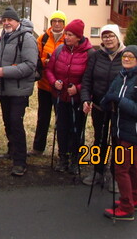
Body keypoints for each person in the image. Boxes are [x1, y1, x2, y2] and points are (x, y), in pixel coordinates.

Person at [100, 45, 137, 221]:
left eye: (131, 57)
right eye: (125, 56)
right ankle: (135, 199)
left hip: (135, 133)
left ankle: (126, 207)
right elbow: (109, 96)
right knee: (131, 166)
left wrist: (119, 100)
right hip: (120, 130)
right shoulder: (121, 77)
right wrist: (106, 101)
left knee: (120, 168)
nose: (126, 59)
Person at [0, 7, 37, 176]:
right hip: (4, 89)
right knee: (8, 122)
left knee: (16, 123)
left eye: (10, 20)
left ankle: (20, 162)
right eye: (4, 20)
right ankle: (12, 151)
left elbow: (30, 66)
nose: (7, 23)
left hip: (19, 90)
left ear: (17, 22)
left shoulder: (27, 38)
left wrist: (4, 71)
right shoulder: (3, 37)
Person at [44, 18, 92, 177]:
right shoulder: (59, 50)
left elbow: (91, 77)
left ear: (79, 37)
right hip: (60, 97)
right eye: (66, 34)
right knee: (61, 128)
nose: (66, 37)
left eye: (70, 35)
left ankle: (75, 159)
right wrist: (54, 82)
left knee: (76, 129)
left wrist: (78, 89)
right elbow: (49, 70)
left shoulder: (89, 54)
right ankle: (62, 157)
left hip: (78, 100)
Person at [80, 23, 125, 187]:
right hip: (99, 105)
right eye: (105, 36)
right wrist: (86, 98)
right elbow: (87, 80)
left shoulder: (126, 55)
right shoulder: (96, 56)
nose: (108, 39)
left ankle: (116, 175)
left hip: (120, 108)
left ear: (117, 37)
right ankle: (98, 171)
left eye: (111, 36)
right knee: (99, 139)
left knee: (117, 142)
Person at [29, 10, 67, 157]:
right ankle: (38, 147)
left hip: (60, 86)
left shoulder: (68, 38)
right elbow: (36, 58)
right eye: (54, 21)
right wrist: (45, 62)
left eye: (60, 21)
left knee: (61, 119)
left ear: (64, 23)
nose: (57, 24)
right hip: (45, 85)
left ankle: (62, 150)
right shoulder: (43, 38)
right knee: (43, 117)